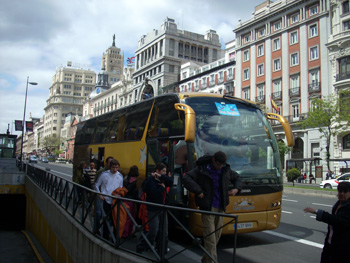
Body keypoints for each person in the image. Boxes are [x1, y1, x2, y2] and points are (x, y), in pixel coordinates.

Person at [182, 151, 242, 263]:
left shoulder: (225, 170)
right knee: (210, 239)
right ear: (213, 160)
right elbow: (186, 178)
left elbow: (237, 178)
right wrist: (198, 190)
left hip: (221, 207)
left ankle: (205, 260)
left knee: (216, 238)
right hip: (208, 207)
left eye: (222, 165)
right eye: (218, 164)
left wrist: (236, 189)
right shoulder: (202, 169)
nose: (220, 167)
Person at [304, 181, 350, 263]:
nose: (342, 193)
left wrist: (317, 212)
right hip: (331, 242)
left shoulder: (348, 206)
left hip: (343, 247)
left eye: (345, 191)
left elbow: (336, 220)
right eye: (340, 191)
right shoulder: (339, 203)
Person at [136, 163, 173, 254]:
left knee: (164, 231)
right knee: (153, 231)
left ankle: (162, 252)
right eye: (163, 171)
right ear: (157, 170)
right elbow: (153, 193)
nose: (165, 173)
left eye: (165, 171)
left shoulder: (163, 179)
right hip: (153, 208)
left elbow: (171, 182)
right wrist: (161, 188)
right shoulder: (150, 180)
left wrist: (162, 176)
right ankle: (141, 245)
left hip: (163, 208)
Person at [94, 159, 123, 240]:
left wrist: (119, 194)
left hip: (115, 201)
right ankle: (105, 237)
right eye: (113, 167)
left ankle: (114, 238)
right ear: (110, 167)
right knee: (106, 219)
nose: (115, 169)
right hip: (106, 199)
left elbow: (121, 188)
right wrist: (99, 194)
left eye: (116, 167)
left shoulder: (120, 176)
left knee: (115, 220)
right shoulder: (104, 175)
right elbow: (96, 185)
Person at [94, 156, 113, 234]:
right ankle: (96, 229)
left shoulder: (114, 174)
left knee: (107, 216)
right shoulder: (101, 172)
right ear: (107, 163)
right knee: (98, 213)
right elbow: (96, 184)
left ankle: (105, 233)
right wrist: (98, 194)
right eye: (110, 163)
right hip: (100, 196)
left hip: (108, 198)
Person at [122, 165, 140, 238]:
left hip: (125, 200)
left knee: (127, 218)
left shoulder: (126, 178)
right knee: (130, 217)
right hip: (130, 200)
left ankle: (126, 233)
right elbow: (133, 191)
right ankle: (127, 233)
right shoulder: (133, 181)